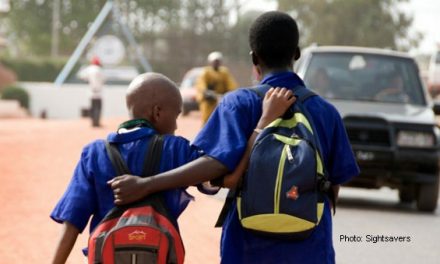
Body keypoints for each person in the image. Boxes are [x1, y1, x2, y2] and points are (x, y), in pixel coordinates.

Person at [109, 11, 359, 264]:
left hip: (246, 248)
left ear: (254, 57)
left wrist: (146, 183)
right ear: (296, 53)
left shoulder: (239, 103)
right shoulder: (326, 112)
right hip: (310, 249)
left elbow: (212, 167)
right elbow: (334, 184)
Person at [50, 71, 291, 264]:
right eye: (175, 115)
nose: (176, 125)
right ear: (157, 112)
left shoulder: (93, 153)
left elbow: (71, 225)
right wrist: (263, 123)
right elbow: (226, 177)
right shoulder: (176, 149)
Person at [196, 51, 238, 125]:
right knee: (207, 121)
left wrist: (231, 93)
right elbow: (201, 84)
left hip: (220, 99)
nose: (216, 63)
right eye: (214, 61)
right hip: (209, 101)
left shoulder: (224, 72)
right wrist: (207, 92)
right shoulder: (206, 72)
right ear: (210, 62)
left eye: (218, 61)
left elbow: (231, 84)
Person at [77, 56, 105, 127]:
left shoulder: (89, 69)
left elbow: (81, 76)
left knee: (92, 107)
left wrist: (87, 80)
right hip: (99, 92)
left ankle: (93, 122)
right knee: (98, 107)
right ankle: (97, 122)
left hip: (91, 91)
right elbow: (104, 80)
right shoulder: (100, 69)